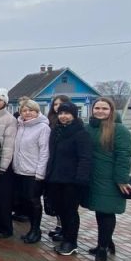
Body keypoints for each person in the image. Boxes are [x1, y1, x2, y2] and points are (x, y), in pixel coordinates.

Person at [83, 97, 131, 261]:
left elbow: (124, 156)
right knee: (99, 211)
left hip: (110, 179)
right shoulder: (89, 127)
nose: (100, 111)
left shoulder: (119, 130)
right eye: (97, 108)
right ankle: (106, 242)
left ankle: (102, 249)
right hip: (93, 177)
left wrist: (121, 179)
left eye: (104, 108)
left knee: (107, 212)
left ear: (111, 111)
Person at [45, 102, 92, 256]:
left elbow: (85, 158)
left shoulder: (80, 133)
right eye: (61, 113)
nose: (63, 116)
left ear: (74, 115)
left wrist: (80, 179)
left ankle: (71, 242)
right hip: (56, 178)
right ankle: (65, 236)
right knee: (61, 210)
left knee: (70, 212)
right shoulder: (56, 131)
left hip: (72, 181)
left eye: (67, 113)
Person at [12, 99, 50, 244]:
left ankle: (36, 230)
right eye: (24, 110)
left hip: (33, 172)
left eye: (31, 110)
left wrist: (40, 173)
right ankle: (31, 230)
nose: (27, 113)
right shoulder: (20, 126)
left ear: (37, 111)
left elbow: (44, 151)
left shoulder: (43, 128)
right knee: (25, 202)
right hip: (19, 170)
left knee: (34, 202)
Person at [0, 88, 17, 238]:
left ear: (5, 101)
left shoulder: (10, 119)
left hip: (2, 166)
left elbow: (8, 145)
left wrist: (2, 167)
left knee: (3, 199)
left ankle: (5, 228)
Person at [44, 95, 71, 242]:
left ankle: (66, 230)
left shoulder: (72, 125)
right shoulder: (50, 122)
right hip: (52, 166)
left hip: (65, 169)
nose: (58, 107)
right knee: (56, 200)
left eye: (61, 104)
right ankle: (60, 225)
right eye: (55, 104)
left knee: (67, 203)